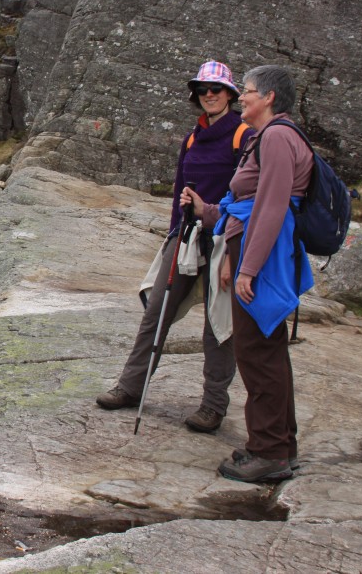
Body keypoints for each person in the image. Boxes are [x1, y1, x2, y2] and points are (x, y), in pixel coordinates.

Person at [96, 60, 254, 435]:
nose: (210, 95)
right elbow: (178, 191)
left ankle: (213, 407)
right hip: (187, 236)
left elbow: (250, 196)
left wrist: (234, 245)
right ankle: (131, 387)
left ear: (231, 94)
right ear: (196, 96)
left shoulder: (244, 136)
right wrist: (173, 234)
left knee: (218, 324)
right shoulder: (192, 138)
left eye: (216, 89)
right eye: (203, 90)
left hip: (224, 239)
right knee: (157, 311)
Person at [182, 65, 314, 483]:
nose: (242, 98)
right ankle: (279, 445)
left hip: (264, 252)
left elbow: (270, 207)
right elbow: (252, 202)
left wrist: (248, 269)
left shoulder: (276, 137)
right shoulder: (274, 136)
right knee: (268, 348)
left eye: (250, 92)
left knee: (257, 352)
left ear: (270, 98)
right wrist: (207, 212)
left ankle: (269, 452)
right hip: (260, 245)